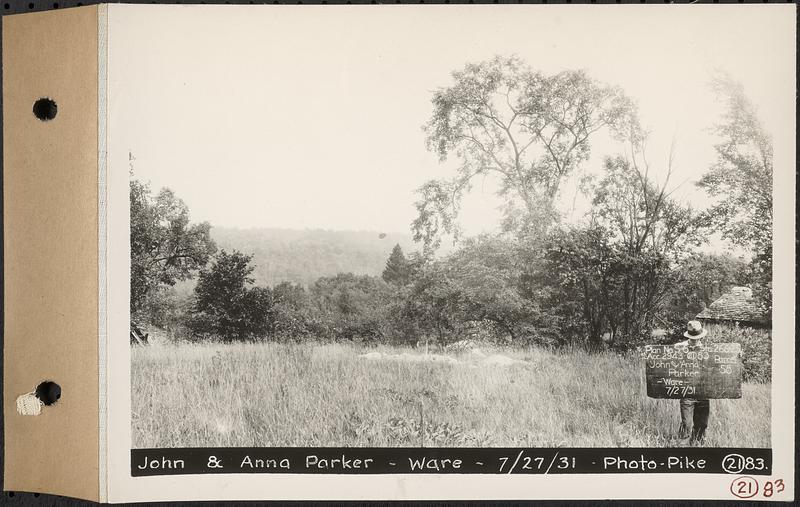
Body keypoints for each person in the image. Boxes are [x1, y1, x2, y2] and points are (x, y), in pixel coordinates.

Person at [675, 320, 710, 445]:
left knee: (703, 424)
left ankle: (697, 444)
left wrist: (736, 356)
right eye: (693, 338)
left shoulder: (707, 350)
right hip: (687, 392)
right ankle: (682, 445)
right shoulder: (680, 347)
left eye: (698, 338)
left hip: (703, 392)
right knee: (687, 423)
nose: (695, 340)